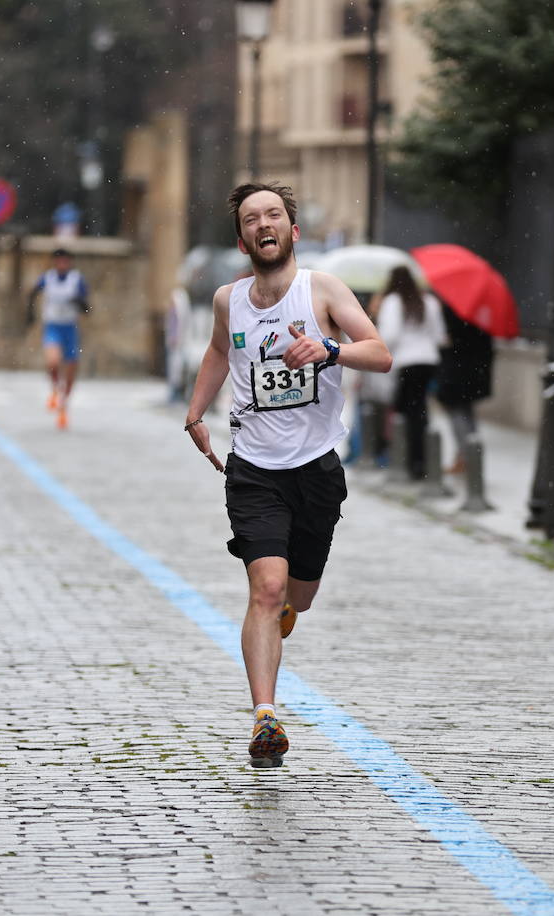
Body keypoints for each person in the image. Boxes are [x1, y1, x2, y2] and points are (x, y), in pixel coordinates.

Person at [183, 181, 392, 767]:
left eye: (273, 214)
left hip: (317, 469)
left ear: (292, 232)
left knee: (297, 593)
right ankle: (265, 717)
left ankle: (285, 616)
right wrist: (196, 411)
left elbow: (379, 352)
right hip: (253, 468)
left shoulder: (321, 289)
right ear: (243, 238)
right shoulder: (231, 300)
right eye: (251, 218)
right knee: (265, 590)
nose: (262, 224)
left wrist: (329, 349)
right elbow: (219, 352)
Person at [374, 266, 446, 480]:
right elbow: (439, 335)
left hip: (406, 362)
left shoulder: (393, 302)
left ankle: (411, 460)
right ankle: (421, 459)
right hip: (428, 361)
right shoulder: (429, 301)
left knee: (405, 411)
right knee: (419, 409)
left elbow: (390, 335)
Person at [27, 248, 90, 430]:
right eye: (59, 260)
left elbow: (86, 307)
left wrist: (78, 302)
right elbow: (32, 294)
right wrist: (30, 314)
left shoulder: (76, 280)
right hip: (53, 326)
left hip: (70, 327)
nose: (62, 264)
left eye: (65, 261)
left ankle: (64, 404)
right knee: (52, 361)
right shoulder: (48, 278)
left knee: (71, 366)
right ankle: (55, 389)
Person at [436, 305, 494, 473]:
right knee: (466, 411)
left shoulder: (455, 308)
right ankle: (471, 455)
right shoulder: (482, 311)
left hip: (457, 370)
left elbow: (447, 336)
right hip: (475, 370)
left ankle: (465, 456)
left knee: (457, 411)